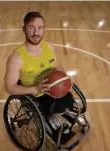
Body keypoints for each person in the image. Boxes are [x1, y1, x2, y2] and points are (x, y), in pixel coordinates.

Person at [5, 11, 75, 143]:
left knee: (68, 101)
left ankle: (55, 120)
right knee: (54, 108)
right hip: (34, 94)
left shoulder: (49, 46)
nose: (36, 32)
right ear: (24, 29)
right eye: (31, 27)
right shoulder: (16, 58)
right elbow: (9, 87)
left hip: (53, 88)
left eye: (40, 28)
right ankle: (53, 123)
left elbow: (57, 67)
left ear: (44, 29)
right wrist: (36, 89)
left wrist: (65, 79)